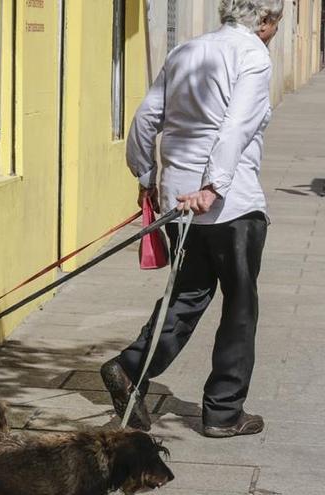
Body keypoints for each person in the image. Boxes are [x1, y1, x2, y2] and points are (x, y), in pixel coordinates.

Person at [101, 0, 282, 438]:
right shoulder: (253, 55)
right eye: (276, 21)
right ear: (263, 21)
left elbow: (146, 118)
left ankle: (130, 368)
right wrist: (214, 186)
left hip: (177, 202)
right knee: (240, 305)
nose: (275, 29)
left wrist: (146, 175)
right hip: (229, 203)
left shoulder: (185, 50)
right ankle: (223, 412)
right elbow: (235, 127)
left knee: (187, 296)